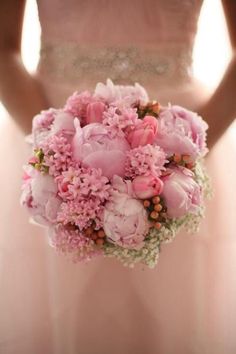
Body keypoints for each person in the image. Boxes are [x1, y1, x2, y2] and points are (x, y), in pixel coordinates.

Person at [0, 1, 236, 353]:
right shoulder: (54, 153)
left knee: (174, 307)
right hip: (51, 130)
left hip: (177, 144)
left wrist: (182, 165)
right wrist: (58, 158)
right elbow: (3, 48)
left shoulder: (180, 162)